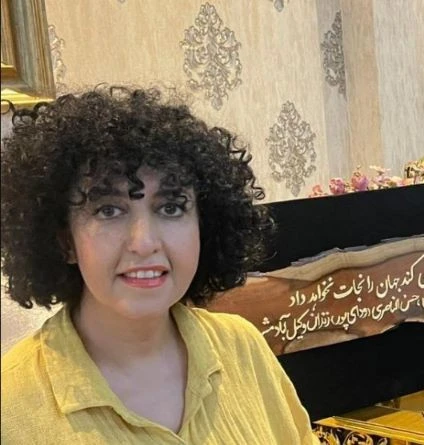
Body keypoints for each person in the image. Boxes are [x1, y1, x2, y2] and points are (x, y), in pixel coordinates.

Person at [1, 86, 320, 444]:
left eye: (170, 207)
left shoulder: (241, 346)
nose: (144, 242)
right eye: (109, 210)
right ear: (64, 241)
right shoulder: (11, 409)